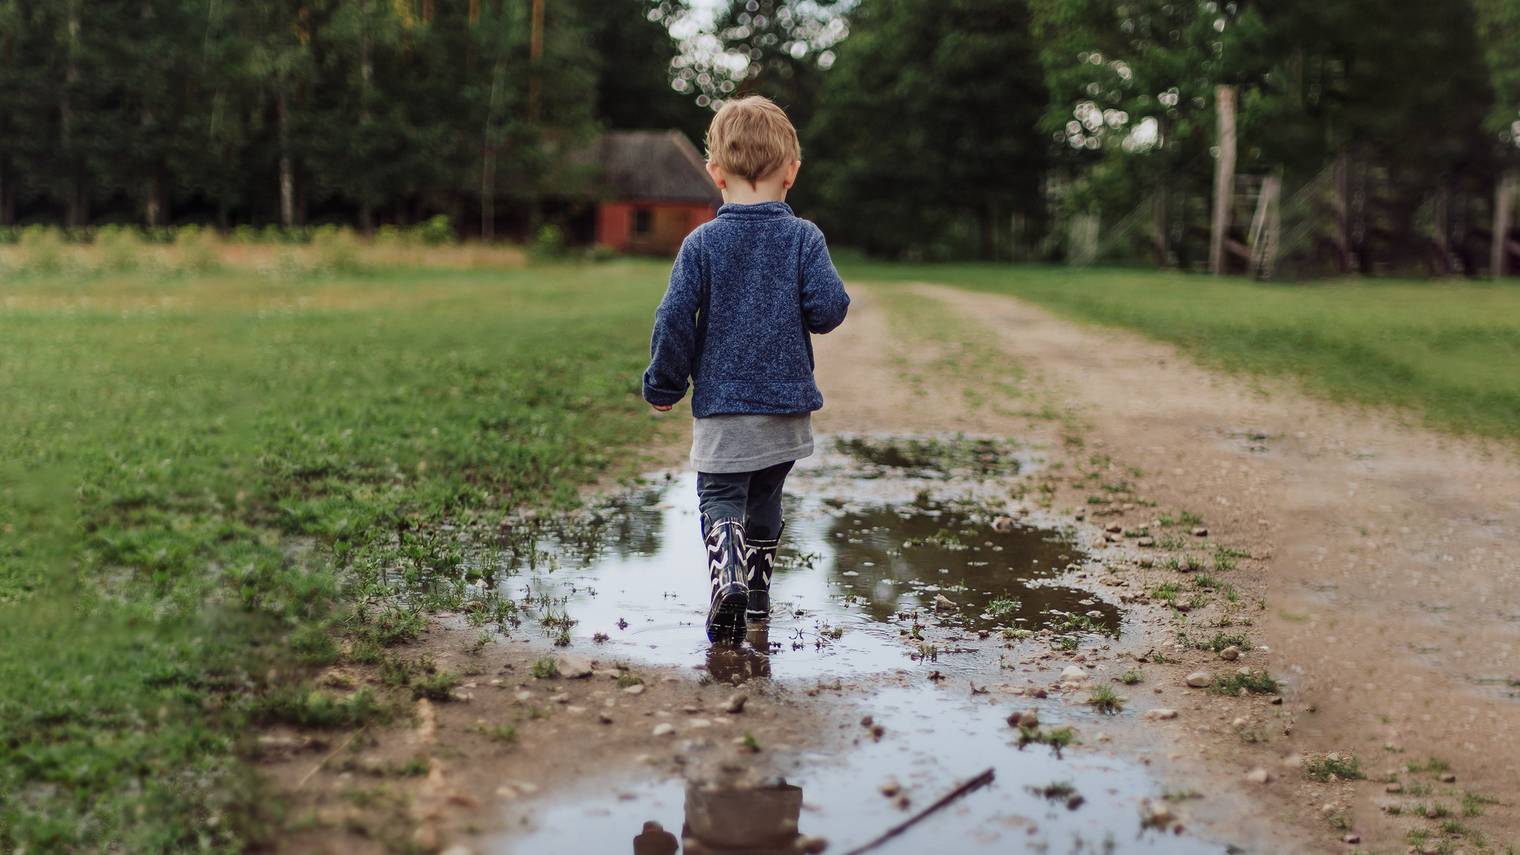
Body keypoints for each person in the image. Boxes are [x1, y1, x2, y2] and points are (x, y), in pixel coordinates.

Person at [642, 95, 850, 644]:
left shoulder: (702, 244)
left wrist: (664, 381)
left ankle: (728, 578)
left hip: (724, 408)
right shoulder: (805, 237)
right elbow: (828, 310)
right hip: (786, 411)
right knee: (765, 497)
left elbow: (673, 318)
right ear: (792, 172)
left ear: (714, 173)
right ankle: (756, 596)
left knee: (720, 496)